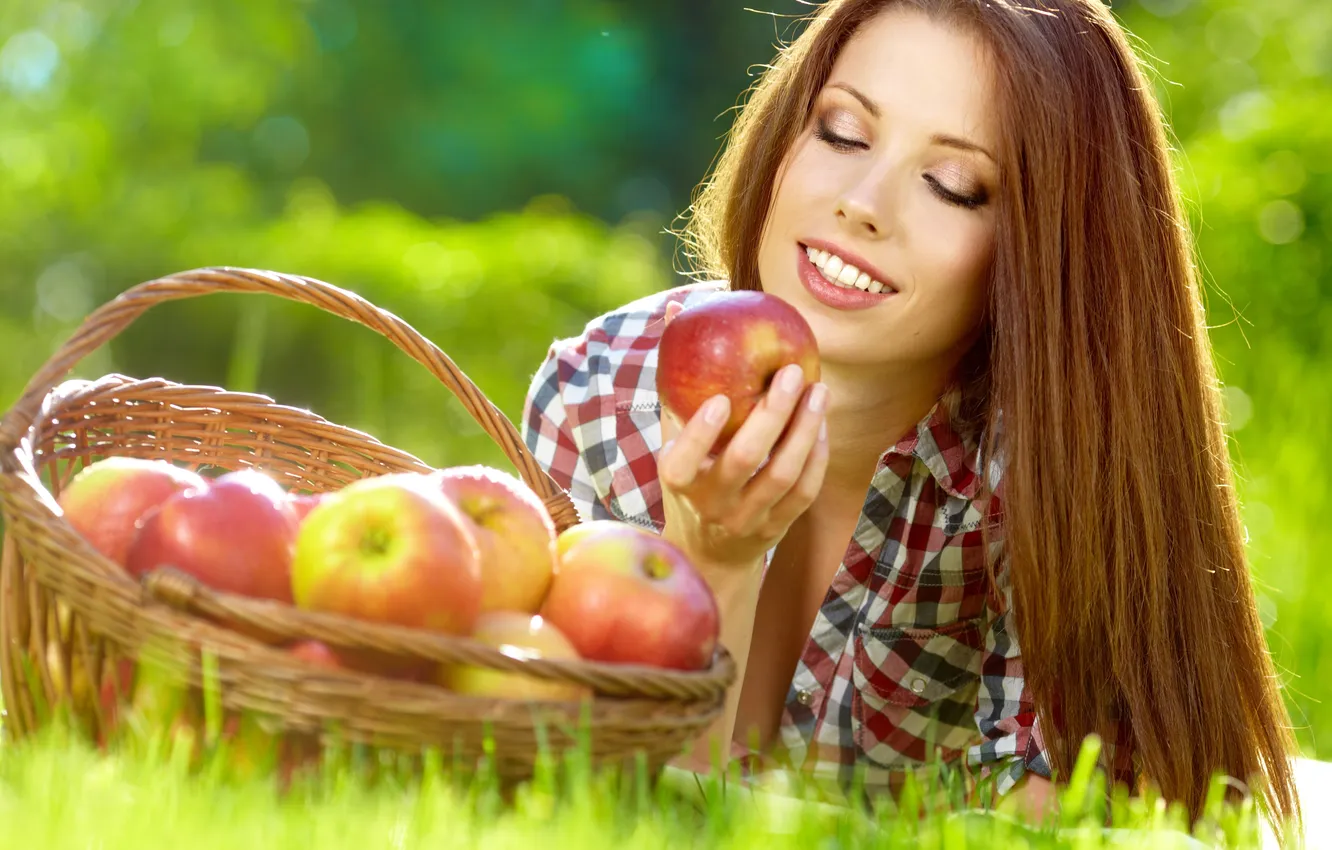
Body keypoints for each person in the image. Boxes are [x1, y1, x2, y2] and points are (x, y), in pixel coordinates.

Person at [520, 0, 1302, 835]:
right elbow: (596, 809)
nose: (862, 202)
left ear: (1043, 257)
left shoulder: (1048, 486)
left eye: (953, 186)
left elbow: (1080, 821)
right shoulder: (600, 394)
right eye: (843, 133)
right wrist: (712, 568)